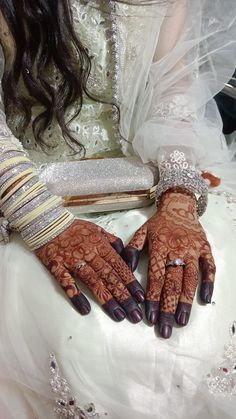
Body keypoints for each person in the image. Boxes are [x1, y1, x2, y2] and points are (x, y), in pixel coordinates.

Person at [0, 1, 236, 418]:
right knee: (88, 336)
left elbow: (173, 91)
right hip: (24, 188)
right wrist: (41, 221)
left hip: (142, 177)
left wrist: (179, 194)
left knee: (207, 308)